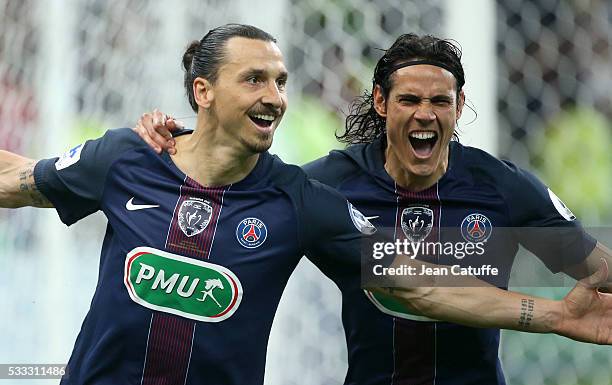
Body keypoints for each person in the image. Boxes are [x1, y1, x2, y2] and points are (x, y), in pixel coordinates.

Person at [135, 33, 612, 385]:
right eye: (409, 99)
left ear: (459, 105)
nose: (424, 114)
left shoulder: (501, 186)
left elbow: (596, 268)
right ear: (382, 103)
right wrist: (182, 140)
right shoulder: (329, 184)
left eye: (439, 101)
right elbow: (244, 192)